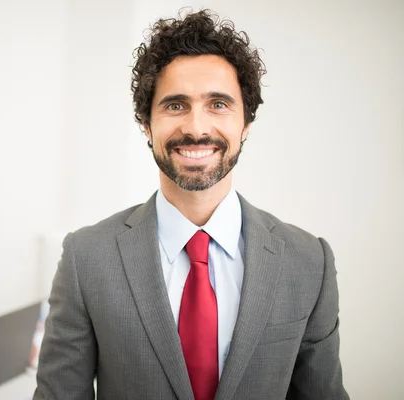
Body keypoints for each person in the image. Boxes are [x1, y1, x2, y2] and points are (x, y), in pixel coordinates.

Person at [34, 8, 348, 400]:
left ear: (245, 124)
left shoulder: (309, 262)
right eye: (175, 105)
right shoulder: (86, 258)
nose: (197, 128)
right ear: (146, 125)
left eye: (218, 104)